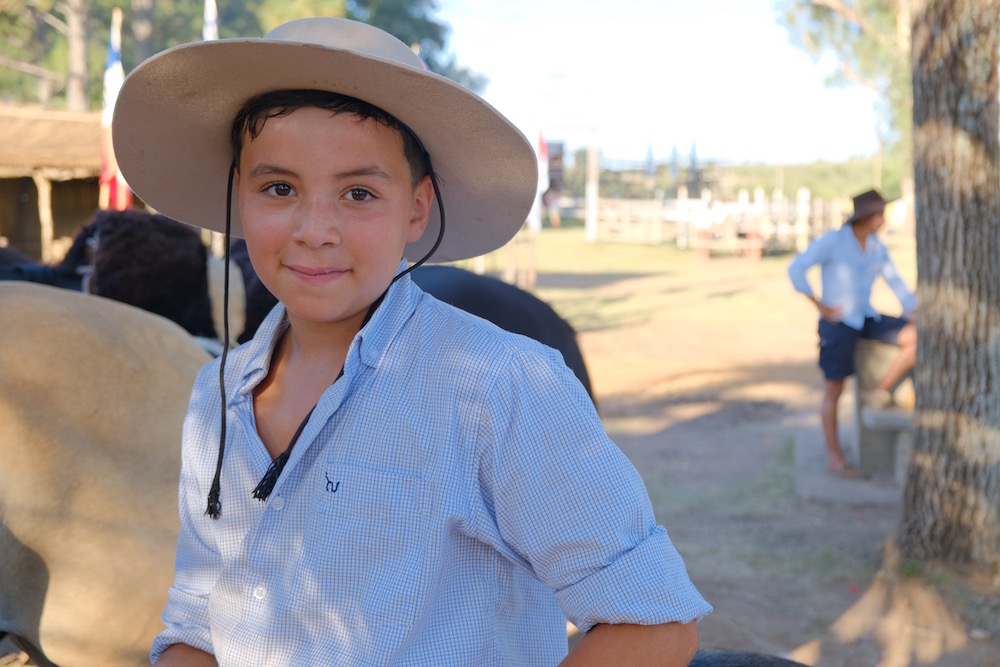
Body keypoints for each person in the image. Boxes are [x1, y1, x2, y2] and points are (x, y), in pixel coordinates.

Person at [112, 17, 711, 666]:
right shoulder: (216, 394)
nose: (315, 229)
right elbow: (198, 620)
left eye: (359, 192)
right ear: (239, 194)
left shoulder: (500, 387)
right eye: (279, 187)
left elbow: (655, 624)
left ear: (417, 209)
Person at [788, 189, 917, 480]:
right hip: (838, 322)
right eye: (879, 215)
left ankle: (880, 390)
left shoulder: (876, 247)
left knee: (915, 336)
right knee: (834, 389)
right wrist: (818, 303)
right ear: (867, 217)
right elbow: (796, 268)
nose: (883, 220)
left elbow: (896, 283)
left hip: (865, 317)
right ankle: (835, 458)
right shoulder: (834, 241)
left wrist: (914, 308)